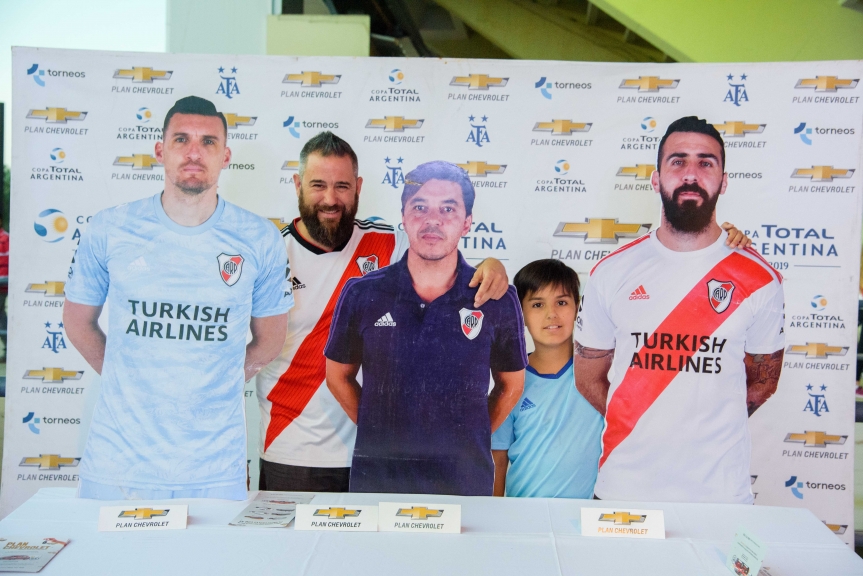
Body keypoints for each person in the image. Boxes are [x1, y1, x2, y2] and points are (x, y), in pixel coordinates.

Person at [63, 96, 291, 500]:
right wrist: (127, 377)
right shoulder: (110, 228)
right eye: (181, 139)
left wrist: (215, 381)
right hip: (118, 465)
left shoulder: (259, 238)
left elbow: (271, 339)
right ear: (160, 150)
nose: (194, 152)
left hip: (214, 468)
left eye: (208, 142)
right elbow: (78, 322)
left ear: (225, 156)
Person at [256, 133, 510, 493]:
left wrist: (493, 264)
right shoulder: (269, 254)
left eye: (342, 186)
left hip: (376, 461)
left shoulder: (389, 241)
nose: (330, 199)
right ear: (298, 185)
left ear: (358, 188)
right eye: (318, 185)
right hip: (292, 450)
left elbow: (445, 256)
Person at [574, 116, 785, 504]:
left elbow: (762, 382)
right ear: (656, 179)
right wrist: (642, 421)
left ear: (723, 181)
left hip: (720, 495)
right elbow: (588, 376)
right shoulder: (612, 271)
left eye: (706, 163)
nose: (691, 174)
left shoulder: (759, 278)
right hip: (625, 491)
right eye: (678, 161)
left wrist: (708, 429)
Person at [324, 161, 527, 496]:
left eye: (448, 208)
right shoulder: (362, 293)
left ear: (467, 222)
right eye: (420, 207)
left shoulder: (496, 298)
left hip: (464, 482)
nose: (433, 220)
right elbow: (337, 377)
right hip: (380, 481)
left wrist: (469, 435)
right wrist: (380, 430)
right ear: (403, 217)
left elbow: (512, 384)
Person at [492, 259, 603, 499]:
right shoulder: (510, 383)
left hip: (588, 518)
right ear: (520, 314)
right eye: (537, 304)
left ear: (578, 307)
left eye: (561, 302)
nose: (551, 314)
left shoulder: (602, 374)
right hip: (526, 515)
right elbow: (497, 460)